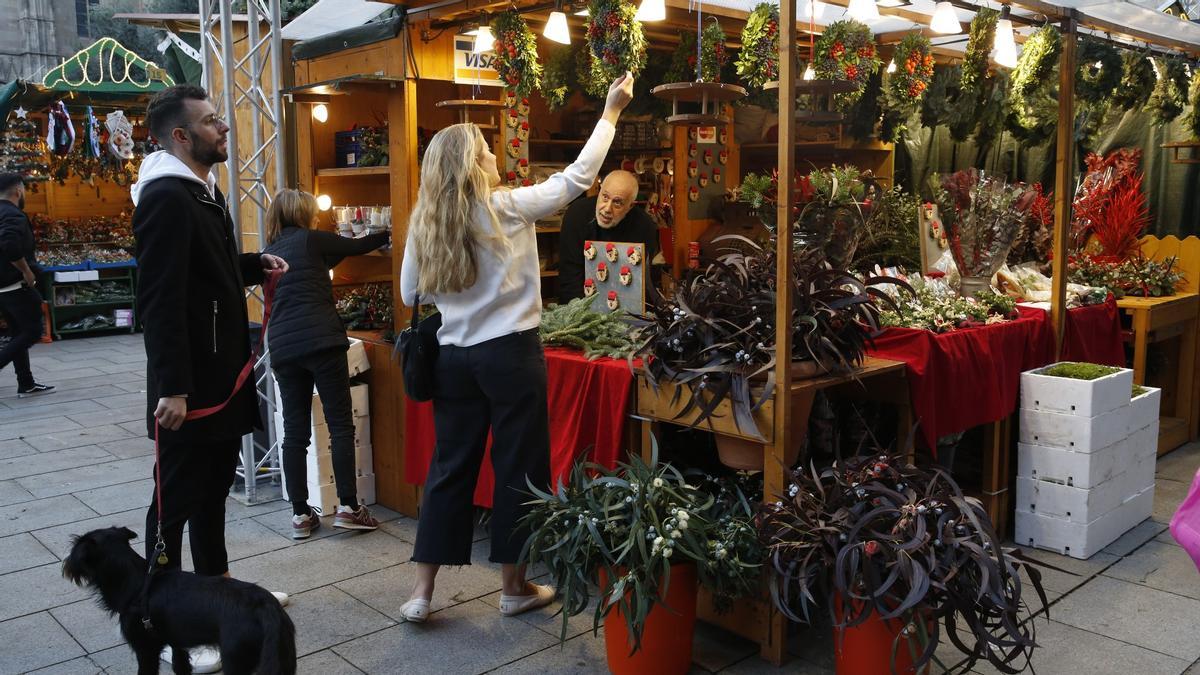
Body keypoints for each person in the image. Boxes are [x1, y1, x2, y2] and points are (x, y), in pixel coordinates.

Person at [398, 72, 635, 623]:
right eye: (485, 151)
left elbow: (412, 292)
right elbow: (579, 177)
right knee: (517, 469)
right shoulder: (507, 206)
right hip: (509, 355)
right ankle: (514, 588)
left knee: (449, 467)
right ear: (470, 164)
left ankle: (421, 594)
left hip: (453, 359)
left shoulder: (426, 221)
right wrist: (611, 112)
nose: (493, 157)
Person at [131, 84, 288, 674]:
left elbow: (207, 274)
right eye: (212, 122)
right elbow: (160, 296)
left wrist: (252, 265)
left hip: (220, 379)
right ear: (180, 136)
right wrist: (171, 386)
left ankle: (220, 601)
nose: (223, 129)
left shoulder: (200, 191)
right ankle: (165, 621)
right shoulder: (167, 196)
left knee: (213, 495)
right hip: (190, 391)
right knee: (173, 505)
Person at [262, 189, 388, 538]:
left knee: (295, 432)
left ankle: (301, 514)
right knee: (340, 425)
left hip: (285, 349)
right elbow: (358, 247)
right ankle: (349, 506)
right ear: (303, 213)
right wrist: (391, 231)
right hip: (321, 341)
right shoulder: (310, 239)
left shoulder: (269, 251)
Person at [557, 169, 659, 304]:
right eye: (605, 197)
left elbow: (644, 282)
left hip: (626, 305)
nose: (607, 208)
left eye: (617, 202)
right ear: (599, 191)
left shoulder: (645, 226)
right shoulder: (577, 214)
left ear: (630, 206)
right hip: (579, 303)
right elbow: (569, 275)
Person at [0, 173, 53, 397]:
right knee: (32, 332)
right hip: (16, 285)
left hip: (2, 289)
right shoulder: (13, 215)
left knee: (17, 334)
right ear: (18, 191)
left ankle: (26, 383)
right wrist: (26, 270)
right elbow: (9, 244)